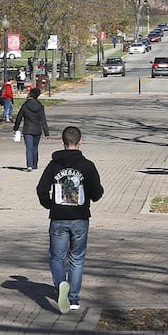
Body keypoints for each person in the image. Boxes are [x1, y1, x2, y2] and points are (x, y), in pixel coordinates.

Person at [35, 126, 104, 314]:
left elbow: (41, 188)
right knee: (77, 258)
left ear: (62, 142)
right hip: (80, 217)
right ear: (80, 141)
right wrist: (92, 193)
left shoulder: (54, 165)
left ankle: (60, 285)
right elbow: (97, 193)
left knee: (57, 257)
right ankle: (73, 298)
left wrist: (49, 204)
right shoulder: (87, 166)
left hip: (58, 218)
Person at [13, 87, 50, 172]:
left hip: (27, 129)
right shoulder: (40, 106)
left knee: (29, 148)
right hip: (37, 130)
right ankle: (35, 165)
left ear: (30, 95)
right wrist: (46, 132)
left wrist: (16, 128)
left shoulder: (25, 105)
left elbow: (19, 117)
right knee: (35, 147)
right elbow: (43, 120)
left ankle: (29, 165)